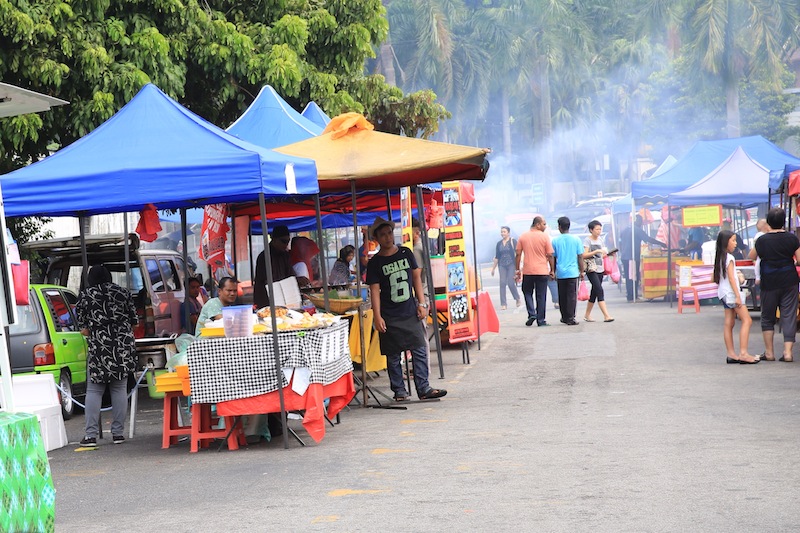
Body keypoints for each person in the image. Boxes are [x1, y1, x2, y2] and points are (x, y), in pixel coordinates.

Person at [366, 216, 446, 401]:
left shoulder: (405, 252)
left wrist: (421, 303)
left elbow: (416, 279)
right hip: (389, 314)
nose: (387, 237)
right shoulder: (375, 263)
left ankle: (424, 387)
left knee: (419, 348)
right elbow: (375, 290)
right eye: (383, 235)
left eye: (389, 233)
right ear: (376, 238)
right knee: (393, 355)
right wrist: (377, 316)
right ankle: (399, 391)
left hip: (410, 311)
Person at [76, 265, 138, 447]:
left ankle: (91, 435)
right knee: (119, 389)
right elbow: (134, 322)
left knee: (94, 390)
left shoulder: (85, 296)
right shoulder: (123, 293)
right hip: (122, 346)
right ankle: (118, 433)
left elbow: (83, 330)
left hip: (100, 346)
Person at [754, 207, 800, 362]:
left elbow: (754, 255)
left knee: (767, 316)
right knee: (789, 316)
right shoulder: (792, 239)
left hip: (769, 281)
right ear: (783, 221)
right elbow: (799, 260)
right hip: (789, 280)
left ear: (768, 222)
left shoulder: (761, 240)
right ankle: (788, 353)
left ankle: (769, 353)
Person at [714, 231, 757, 364]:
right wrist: (738, 296)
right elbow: (732, 279)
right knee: (747, 320)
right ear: (726, 242)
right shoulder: (730, 258)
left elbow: (714, 277)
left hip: (723, 292)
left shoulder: (719, 257)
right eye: (733, 240)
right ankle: (743, 353)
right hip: (731, 293)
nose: (735, 243)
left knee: (729, 323)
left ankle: (731, 353)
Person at [515, 216, 555, 327]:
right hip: (542, 271)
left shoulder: (523, 236)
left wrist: (517, 269)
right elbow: (550, 255)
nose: (545, 226)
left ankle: (532, 313)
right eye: (544, 224)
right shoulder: (544, 237)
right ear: (537, 224)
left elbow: (518, 254)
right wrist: (552, 270)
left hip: (528, 271)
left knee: (527, 292)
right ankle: (541, 320)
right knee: (541, 295)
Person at [618, 215, 666, 301]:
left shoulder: (625, 229)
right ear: (638, 221)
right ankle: (632, 296)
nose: (642, 224)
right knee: (633, 276)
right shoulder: (637, 230)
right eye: (641, 221)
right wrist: (661, 244)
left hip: (625, 256)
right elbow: (648, 239)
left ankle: (631, 295)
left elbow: (620, 242)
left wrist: (623, 251)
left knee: (629, 277)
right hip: (631, 257)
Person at [551, 216, 584, 326]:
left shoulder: (555, 240)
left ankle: (564, 316)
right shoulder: (576, 239)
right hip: (573, 272)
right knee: (571, 296)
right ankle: (571, 317)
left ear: (559, 227)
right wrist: (582, 270)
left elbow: (553, 257)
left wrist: (553, 271)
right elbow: (580, 256)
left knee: (562, 295)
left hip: (560, 272)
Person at [253, 224, 293, 308]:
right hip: (266, 301)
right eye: (283, 241)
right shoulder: (264, 257)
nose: (286, 244)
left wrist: (297, 280)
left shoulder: (285, 255)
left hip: (284, 298)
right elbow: (268, 281)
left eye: (288, 241)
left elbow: (290, 274)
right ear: (274, 240)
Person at [582, 220, 614, 322]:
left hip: (600, 267)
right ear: (591, 230)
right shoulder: (587, 240)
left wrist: (608, 254)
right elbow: (584, 255)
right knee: (599, 290)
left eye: (600, 229)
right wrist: (596, 251)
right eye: (597, 229)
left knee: (594, 292)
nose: (599, 231)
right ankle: (606, 315)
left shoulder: (600, 240)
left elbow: (602, 254)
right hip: (591, 268)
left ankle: (587, 315)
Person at [490, 226, 521, 310]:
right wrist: (493, 268)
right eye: (501, 232)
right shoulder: (499, 244)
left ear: (508, 233)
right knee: (502, 283)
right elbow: (497, 257)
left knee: (511, 283)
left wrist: (518, 267)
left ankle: (517, 298)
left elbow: (518, 253)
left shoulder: (513, 241)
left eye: (504, 232)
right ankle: (503, 303)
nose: (502, 233)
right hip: (502, 265)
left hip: (511, 264)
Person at [412, 220, 430, 302]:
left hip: (422, 294)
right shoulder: (422, 246)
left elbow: (417, 276)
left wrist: (421, 302)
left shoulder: (416, 250)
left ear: (416, 233)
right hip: (425, 292)